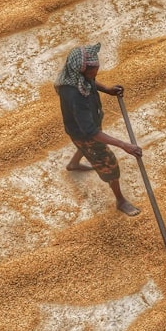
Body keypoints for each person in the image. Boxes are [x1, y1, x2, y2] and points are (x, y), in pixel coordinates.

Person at [55, 43, 142, 216]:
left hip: (84, 124)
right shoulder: (75, 95)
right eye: (93, 71)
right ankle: (120, 201)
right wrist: (125, 145)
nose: (95, 74)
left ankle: (73, 164)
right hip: (85, 134)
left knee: (86, 147)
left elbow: (91, 81)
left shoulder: (73, 76)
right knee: (109, 164)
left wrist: (108, 90)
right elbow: (91, 132)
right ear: (81, 70)